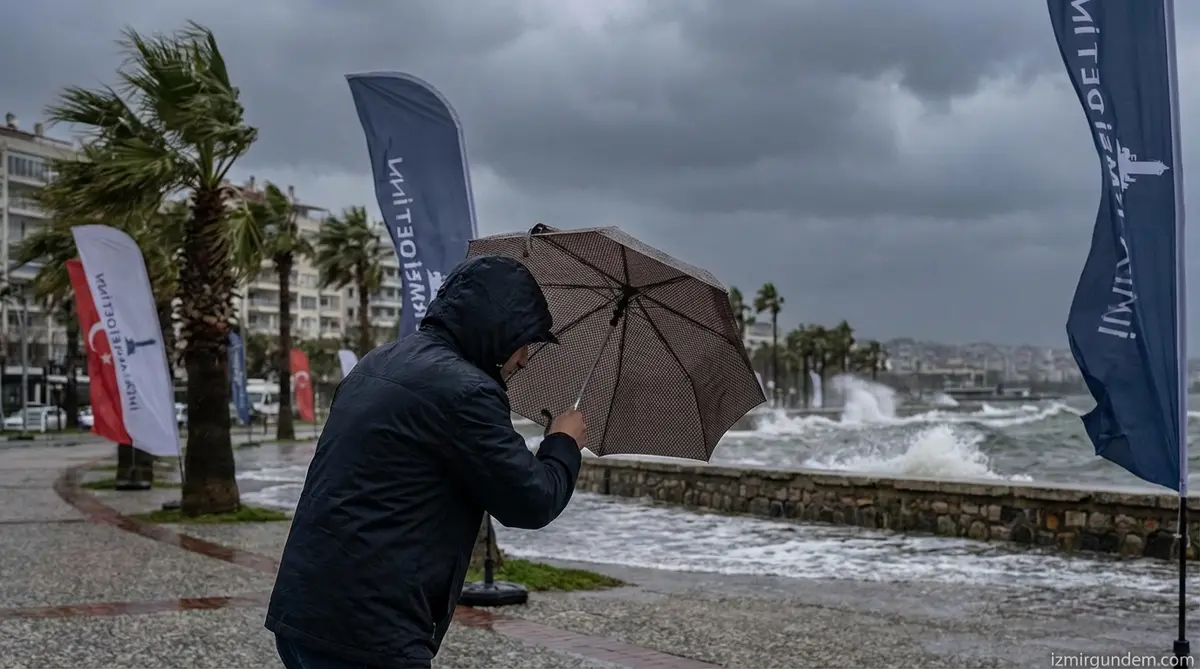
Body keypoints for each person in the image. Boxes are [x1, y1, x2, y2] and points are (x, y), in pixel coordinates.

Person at [265, 255, 587, 669]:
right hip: (368, 632)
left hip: (304, 613)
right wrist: (562, 442)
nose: (525, 358)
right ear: (498, 329)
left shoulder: (379, 361)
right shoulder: (465, 392)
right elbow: (532, 501)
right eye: (525, 341)